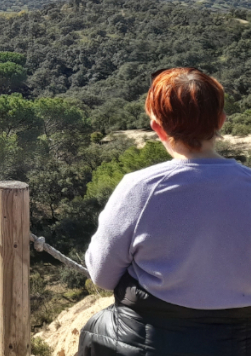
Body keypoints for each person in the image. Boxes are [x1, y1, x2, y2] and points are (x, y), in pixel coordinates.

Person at [78, 67, 251, 356]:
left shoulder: (139, 188)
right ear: (221, 121)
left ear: (157, 127)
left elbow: (102, 275)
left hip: (147, 343)